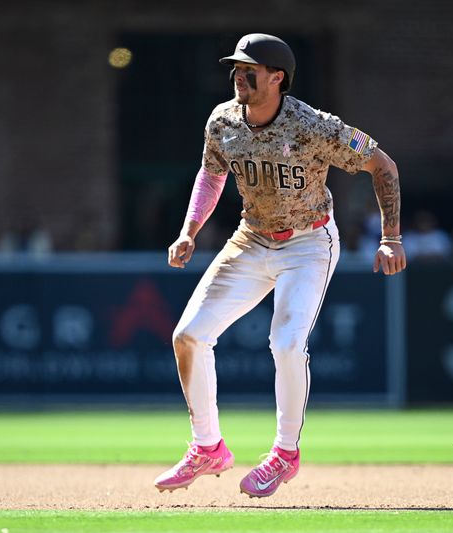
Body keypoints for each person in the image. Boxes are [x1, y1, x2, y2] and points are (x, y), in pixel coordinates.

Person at [153, 33, 406, 498]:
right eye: (235, 68)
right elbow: (212, 173)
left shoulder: (313, 125)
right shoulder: (224, 119)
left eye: (248, 69)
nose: (237, 76)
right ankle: (207, 447)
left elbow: (383, 165)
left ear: (277, 77)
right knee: (187, 335)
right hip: (251, 239)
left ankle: (285, 453)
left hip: (309, 242)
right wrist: (189, 229)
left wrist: (390, 237)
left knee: (287, 343)